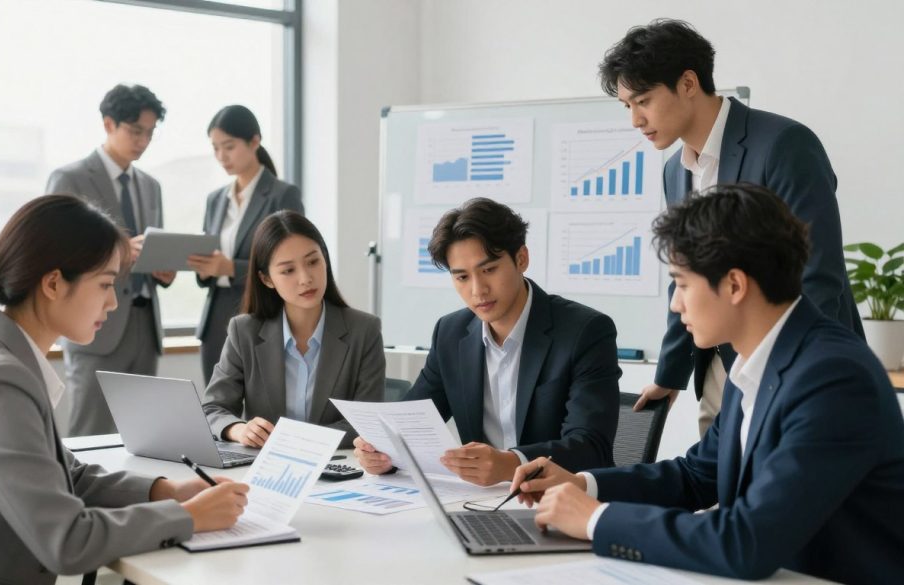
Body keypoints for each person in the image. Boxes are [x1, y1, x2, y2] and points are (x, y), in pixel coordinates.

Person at [511, 184, 904, 583]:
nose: (675, 304)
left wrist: (597, 520)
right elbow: (696, 476)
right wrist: (584, 484)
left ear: (734, 284)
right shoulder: (758, 357)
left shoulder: (832, 378)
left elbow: (747, 543)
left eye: (682, 284)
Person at [0, 195, 249, 584]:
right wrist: (190, 517)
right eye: (105, 284)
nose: (112, 302)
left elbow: (68, 476)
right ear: (54, 283)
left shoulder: (0, 360)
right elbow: (68, 540)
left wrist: (170, 491)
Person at [599, 19, 863, 434]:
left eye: (643, 101)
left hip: (798, 367)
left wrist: (792, 373)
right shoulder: (674, 172)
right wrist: (671, 373)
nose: (635, 120)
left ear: (688, 83)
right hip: (721, 372)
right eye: (627, 106)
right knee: (719, 490)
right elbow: (686, 277)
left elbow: (817, 272)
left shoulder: (783, 144)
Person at [355, 198, 621, 486]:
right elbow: (407, 425)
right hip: (480, 500)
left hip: (559, 499)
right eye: (462, 277)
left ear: (521, 259)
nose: (477, 290)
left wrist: (511, 464)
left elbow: (591, 447)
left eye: (489, 270)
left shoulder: (585, 331)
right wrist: (382, 453)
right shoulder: (451, 332)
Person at [45, 83, 176, 436]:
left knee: (143, 434)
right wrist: (120, 252)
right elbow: (57, 251)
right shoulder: (70, 179)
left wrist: (163, 268)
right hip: (95, 324)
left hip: (144, 324)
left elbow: (150, 248)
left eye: (150, 133)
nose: (143, 141)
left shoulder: (151, 186)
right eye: (135, 131)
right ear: (108, 124)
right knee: (89, 430)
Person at [202, 211, 383, 449]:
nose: (306, 278)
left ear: (325, 260)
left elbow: (367, 421)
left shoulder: (364, 330)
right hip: (266, 470)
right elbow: (213, 409)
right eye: (288, 270)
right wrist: (239, 430)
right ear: (267, 279)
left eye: (313, 261)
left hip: (337, 466)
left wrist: (296, 443)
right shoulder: (244, 331)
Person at [190, 105, 304, 384]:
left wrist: (230, 268)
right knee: (216, 409)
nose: (221, 156)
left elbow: (291, 262)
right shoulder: (216, 199)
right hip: (217, 319)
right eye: (215, 148)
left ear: (254, 141)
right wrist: (205, 270)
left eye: (228, 146)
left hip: (262, 314)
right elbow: (211, 259)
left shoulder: (281, 195)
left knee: (261, 410)